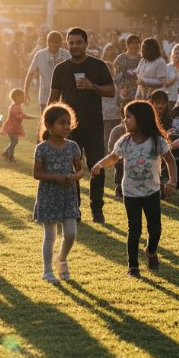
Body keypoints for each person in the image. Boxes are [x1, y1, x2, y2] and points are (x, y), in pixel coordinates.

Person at [90, 100, 177, 278]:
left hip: (152, 191)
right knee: (134, 229)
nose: (125, 120)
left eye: (128, 116)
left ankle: (151, 252)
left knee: (155, 229)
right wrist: (99, 165)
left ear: (142, 118)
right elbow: (113, 158)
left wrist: (172, 182)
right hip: (130, 193)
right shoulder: (125, 142)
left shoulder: (156, 141)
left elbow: (170, 160)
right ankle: (133, 266)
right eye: (124, 117)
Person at [48, 27, 115, 223]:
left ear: (86, 44)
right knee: (70, 169)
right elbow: (53, 100)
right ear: (67, 44)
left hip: (93, 125)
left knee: (96, 167)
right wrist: (49, 127)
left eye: (78, 42)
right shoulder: (60, 69)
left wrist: (92, 86)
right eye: (71, 43)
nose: (75, 46)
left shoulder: (98, 66)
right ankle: (74, 209)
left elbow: (111, 91)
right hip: (67, 128)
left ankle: (97, 208)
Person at [33, 103, 84, 284]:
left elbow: (80, 170)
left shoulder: (73, 147)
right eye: (61, 123)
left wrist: (73, 176)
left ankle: (61, 258)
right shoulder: (42, 149)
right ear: (49, 125)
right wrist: (55, 177)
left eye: (68, 123)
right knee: (50, 235)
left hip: (68, 195)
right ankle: (47, 271)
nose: (66, 127)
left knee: (70, 233)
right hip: (49, 195)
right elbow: (36, 173)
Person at [23, 31, 70, 111]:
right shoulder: (40, 55)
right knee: (45, 119)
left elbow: (72, 73)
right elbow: (31, 73)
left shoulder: (66, 54)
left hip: (63, 94)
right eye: (51, 42)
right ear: (47, 42)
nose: (54, 44)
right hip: (45, 94)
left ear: (60, 42)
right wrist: (26, 91)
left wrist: (64, 66)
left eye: (56, 42)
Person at [0, 88, 33, 162]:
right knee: (14, 141)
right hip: (11, 127)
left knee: (14, 141)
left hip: (14, 127)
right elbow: (20, 115)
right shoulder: (14, 106)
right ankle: (10, 155)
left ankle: (6, 153)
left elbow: (21, 115)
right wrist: (30, 117)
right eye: (21, 96)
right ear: (15, 97)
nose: (23, 98)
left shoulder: (18, 105)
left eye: (23, 96)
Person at [113, 35, 142, 105]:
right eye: (132, 43)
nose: (135, 45)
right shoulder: (120, 58)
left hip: (138, 93)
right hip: (124, 93)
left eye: (137, 43)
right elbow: (114, 77)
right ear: (128, 45)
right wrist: (124, 74)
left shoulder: (142, 59)